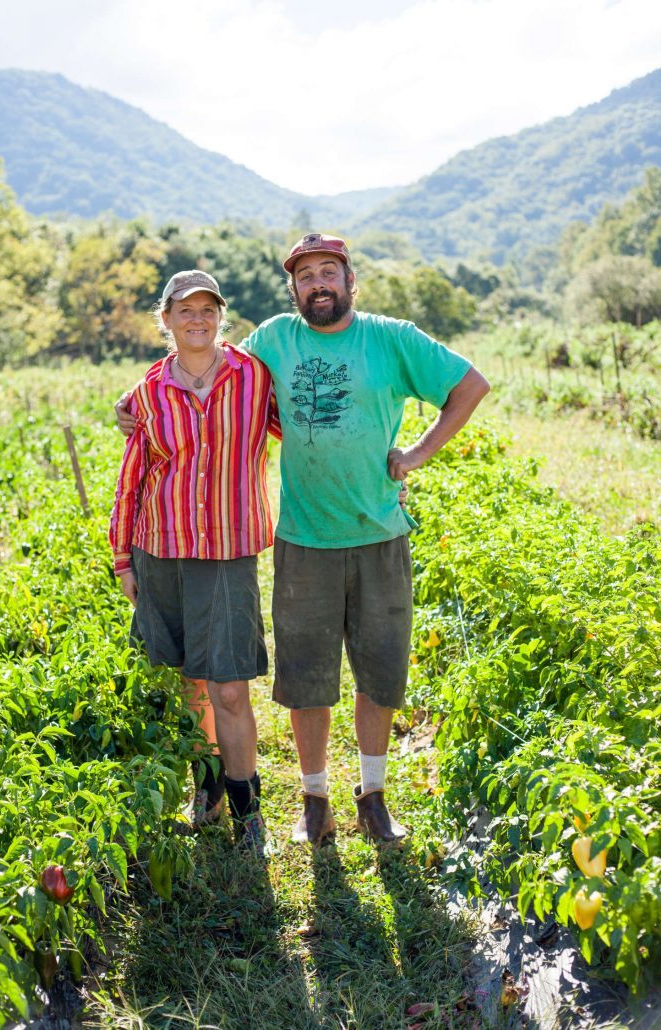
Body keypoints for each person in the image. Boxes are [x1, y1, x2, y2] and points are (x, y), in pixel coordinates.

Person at [118, 235, 489, 847]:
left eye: (329, 272)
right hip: (303, 537)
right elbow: (199, 366)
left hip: (378, 532)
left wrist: (418, 453)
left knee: (380, 672)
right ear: (293, 289)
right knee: (306, 676)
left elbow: (469, 385)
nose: (318, 283)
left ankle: (372, 795)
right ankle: (313, 798)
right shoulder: (272, 340)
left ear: (349, 280)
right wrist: (130, 404)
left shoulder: (391, 336)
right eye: (306, 275)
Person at [109, 269, 280, 855]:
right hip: (161, 550)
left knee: (230, 687)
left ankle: (248, 808)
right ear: (167, 319)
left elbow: (310, 437)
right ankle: (205, 790)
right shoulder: (147, 392)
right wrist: (122, 558)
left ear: (221, 316)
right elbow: (132, 478)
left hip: (228, 552)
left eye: (208, 309)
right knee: (190, 682)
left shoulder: (255, 378)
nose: (198, 319)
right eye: (186, 310)